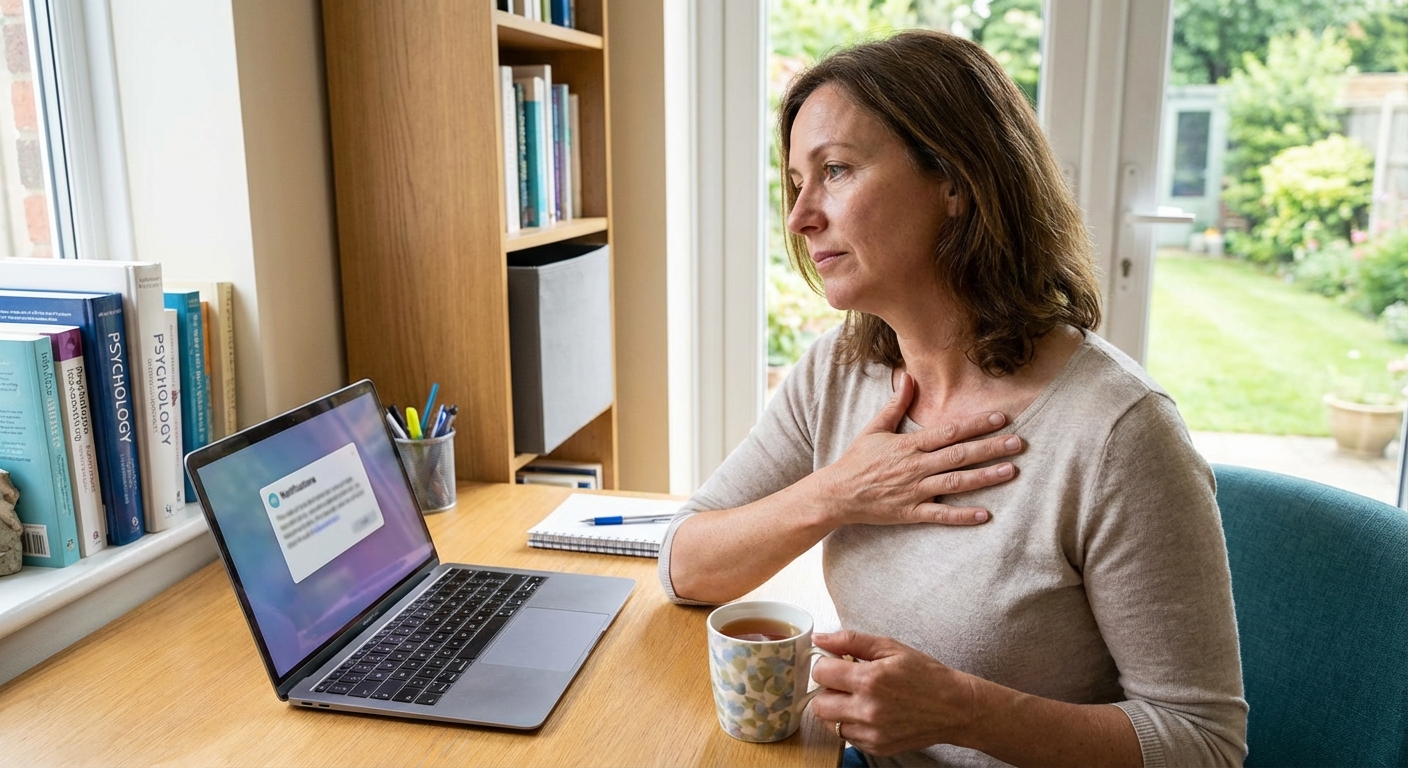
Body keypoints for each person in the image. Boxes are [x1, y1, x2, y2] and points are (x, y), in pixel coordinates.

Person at [657, 30, 1247, 768]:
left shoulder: (1119, 433)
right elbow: (684, 566)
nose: (801, 217)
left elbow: (1205, 746)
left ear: (957, 182)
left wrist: (967, 712)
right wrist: (837, 493)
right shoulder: (839, 371)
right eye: (795, 183)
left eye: (835, 171)